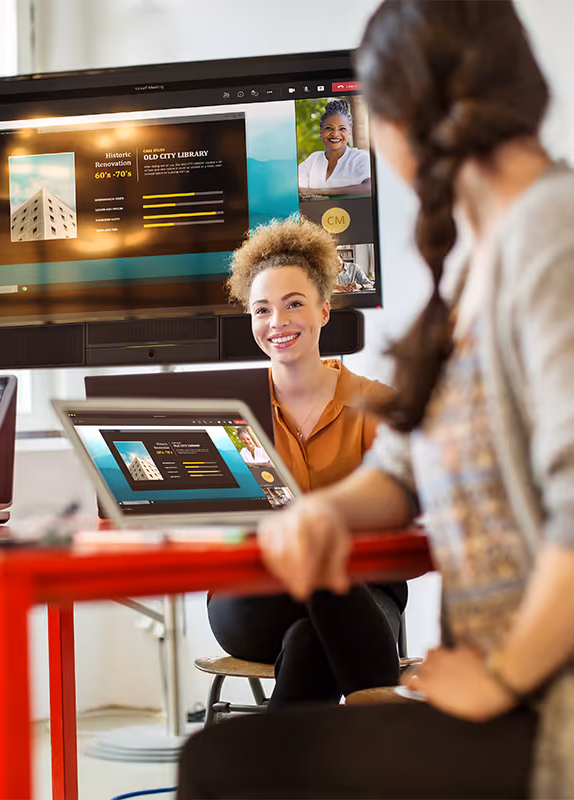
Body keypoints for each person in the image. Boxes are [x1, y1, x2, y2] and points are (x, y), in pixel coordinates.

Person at [178, 2, 574, 798]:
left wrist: (501, 679)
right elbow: (399, 469)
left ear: (406, 114)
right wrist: (326, 512)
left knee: (235, 767)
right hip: (538, 707)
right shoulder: (481, 266)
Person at [206, 215, 405, 709]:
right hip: (253, 595)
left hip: (362, 593)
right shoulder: (228, 411)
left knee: (309, 641)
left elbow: (410, 509)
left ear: (324, 310)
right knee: (314, 620)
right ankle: (386, 738)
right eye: (262, 310)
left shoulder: (377, 405)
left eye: (294, 304)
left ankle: (275, 781)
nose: (277, 323)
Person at [297, 98, 372, 198]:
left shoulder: (359, 157)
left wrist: (319, 192)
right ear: (321, 132)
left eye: (342, 129)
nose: (335, 134)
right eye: (329, 128)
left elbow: (369, 187)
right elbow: (296, 190)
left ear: (349, 132)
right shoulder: (313, 159)